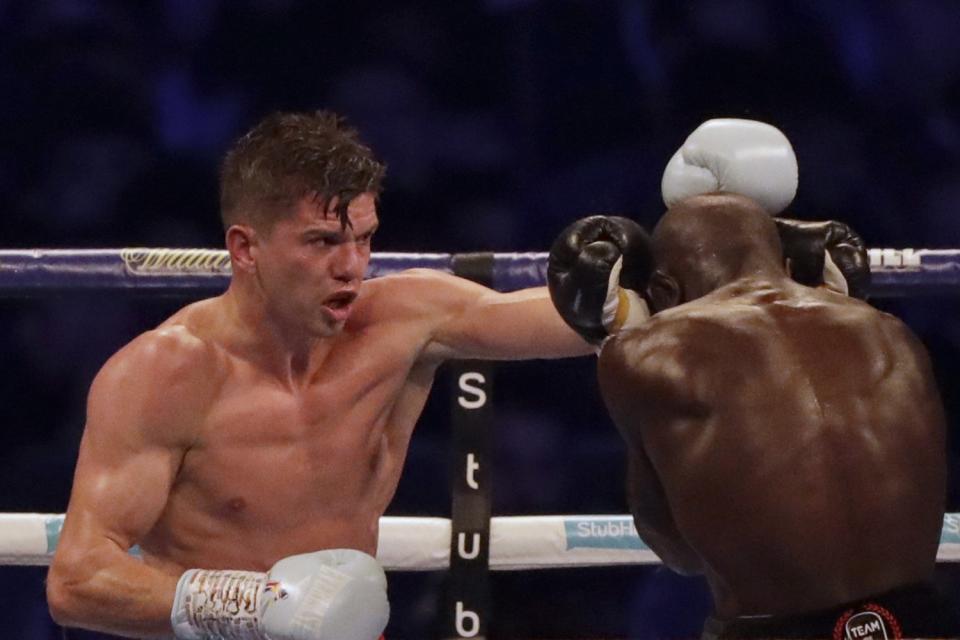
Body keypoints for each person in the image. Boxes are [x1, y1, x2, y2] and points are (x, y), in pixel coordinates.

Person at [45, 110, 594, 640]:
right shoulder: (164, 375)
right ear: (245, 248)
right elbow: (77, 582)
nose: (352, 266)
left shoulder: (402, 320)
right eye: (323, 242)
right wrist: (257, 606)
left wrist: (640, 274)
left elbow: (578, 323)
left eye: (364, 238)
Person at [548, 119, 958, 638]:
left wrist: (618, 339)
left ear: (664, 290)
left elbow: (676, 549)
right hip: (922, 620)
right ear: (786, 262)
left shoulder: (650, 353)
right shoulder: (893, 335)